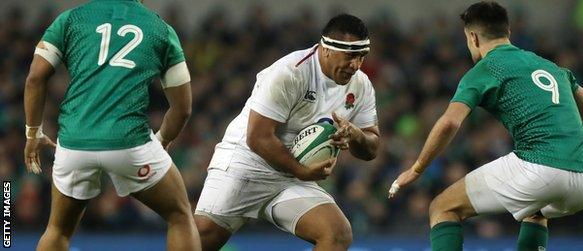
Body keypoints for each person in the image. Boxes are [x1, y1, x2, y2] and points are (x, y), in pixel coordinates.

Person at [388, 1, 583, 251]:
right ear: (508, 33)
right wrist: (578, 157)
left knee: (442, 207)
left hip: (539, 167)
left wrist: (417, 169)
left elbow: (450, 121)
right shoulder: (552, 67)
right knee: (536, 212)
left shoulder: (485, 68)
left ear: (472, 37)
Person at [23, 0, 200, 250]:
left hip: (74, 143)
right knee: (180, 216)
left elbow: (35, 78)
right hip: (130, 142)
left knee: (58, 230)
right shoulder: (161, 29)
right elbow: (183, 109)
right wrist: (162, 141)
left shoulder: (70, 19)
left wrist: (33, 132)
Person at [194, 14, 380, 250]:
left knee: (337, 234)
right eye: (350, 55)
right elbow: (257, 137)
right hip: (246, 164)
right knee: (199, 240)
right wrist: (301, 171)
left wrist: (356, 135)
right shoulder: (290, 72)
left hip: (290, 176)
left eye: (361, 56)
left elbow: (372, 147)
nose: (356, 65)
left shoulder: (361, 85)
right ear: (326, 49)